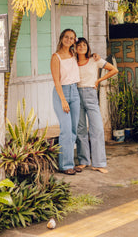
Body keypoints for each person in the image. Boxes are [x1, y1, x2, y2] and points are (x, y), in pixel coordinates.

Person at [75, 37, 118, 173]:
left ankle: (99, 163)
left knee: (97, 129)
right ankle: (83, 161)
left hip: (90, 93)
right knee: (80, 129)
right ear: (75, 48)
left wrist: (99, 80)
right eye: (79, 45)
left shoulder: (95, 60)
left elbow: (114, 70)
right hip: (76, 94)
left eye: (84, 45)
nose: (82, 47)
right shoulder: (73, 62)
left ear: (88, 47)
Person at [50, 29, 83, 175]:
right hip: (61, 93)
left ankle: (69, 161)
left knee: (74, 129)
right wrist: (63, 100)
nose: (68, 40)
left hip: (74, 91)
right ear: (62, 38)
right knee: (66, 129)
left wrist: (96, 56)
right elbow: (56, 81)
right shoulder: (56, 57)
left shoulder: (74, 55)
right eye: (66, 37)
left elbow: (87, 56)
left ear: (74, 40)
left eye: (72, 38)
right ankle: (65, 165)